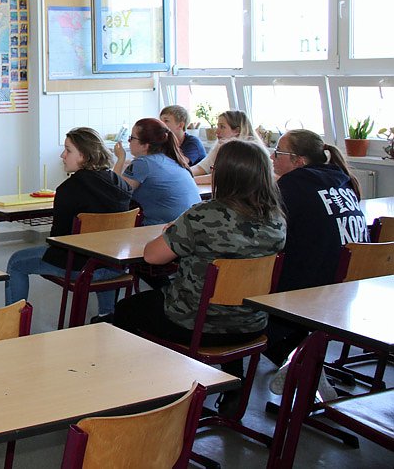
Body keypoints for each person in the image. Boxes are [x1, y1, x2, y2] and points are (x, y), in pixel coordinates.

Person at [114, 139, 286, 396]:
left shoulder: (203, 215)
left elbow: (152, 256)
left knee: (126, 309)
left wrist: (174, 230)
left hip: (194, 322)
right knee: (227, 298)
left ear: (224, 174)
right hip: (252, 323)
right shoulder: (276, 219)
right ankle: (233, 386)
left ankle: (143, 390)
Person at [265, 129, 369, 379]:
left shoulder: (292, 186)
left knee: (249, 291)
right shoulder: (341, 179)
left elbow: (266, 234)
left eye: (278, 152)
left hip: (315, 290)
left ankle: (298, 364)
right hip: (351, 287)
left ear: (298, 161)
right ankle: (303, 360)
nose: (272, 156)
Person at [4, 128, 132, 321]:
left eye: (68, 150)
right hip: (116, 265)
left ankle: (13, 322)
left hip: (79, 267)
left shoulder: (68, 189)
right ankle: (107, 315)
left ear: (84, 155)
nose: (62, 155)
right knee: (102, 249)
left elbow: (58, 239)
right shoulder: (121, 185)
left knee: (16, 262)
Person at [114, 117, 200, 226]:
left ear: (145, 145)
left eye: (132, 138)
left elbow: (116, 193)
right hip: (191, 225)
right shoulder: (170, 159)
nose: (129, 141)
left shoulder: (143, 163)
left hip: (167, 228)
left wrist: (120, 158)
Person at [190, 110, 264, 184]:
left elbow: (219, 178)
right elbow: (202, 167)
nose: (216, 131)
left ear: (237, 131)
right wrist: (184, 173)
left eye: (222, 127)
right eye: (218, 126)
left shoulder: (248, 151)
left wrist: (187, 180)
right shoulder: (220, 145)